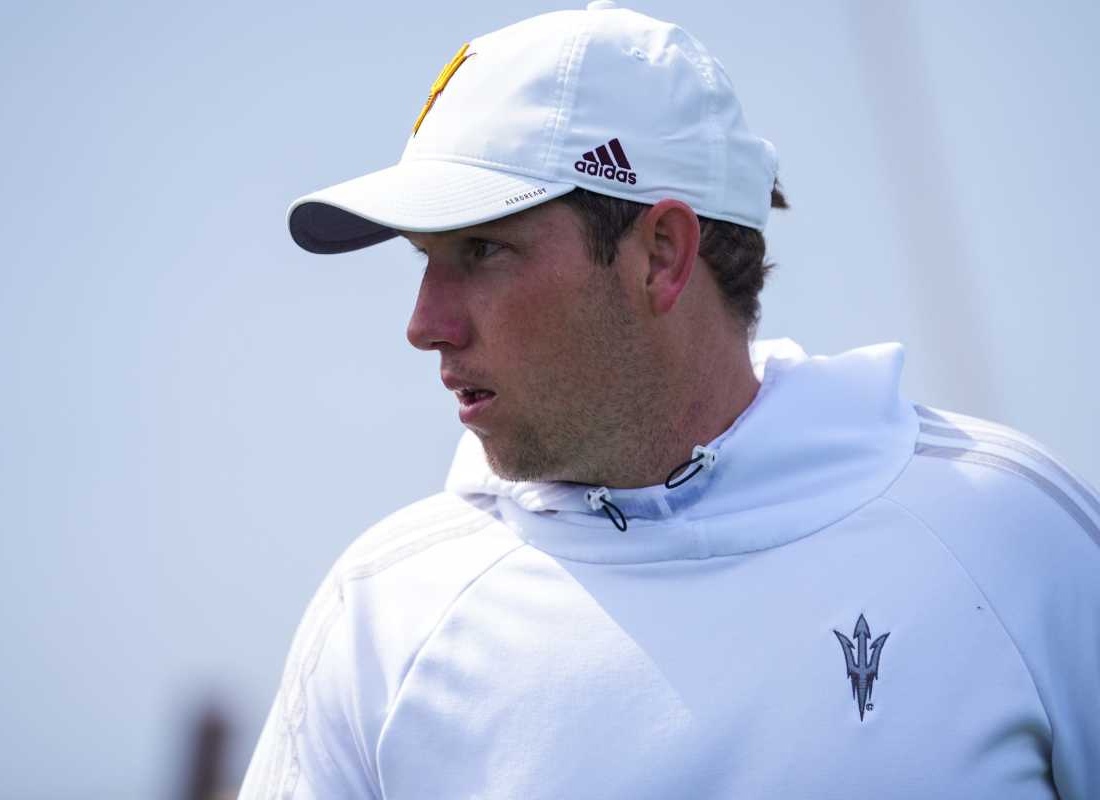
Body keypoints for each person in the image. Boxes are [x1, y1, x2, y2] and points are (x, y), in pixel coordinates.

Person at [239, 3, 1100, 798]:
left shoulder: (1011, 534)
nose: (425, 325)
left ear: (661, 254)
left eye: (482, 251)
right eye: (424, 260)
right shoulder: (385, 607)